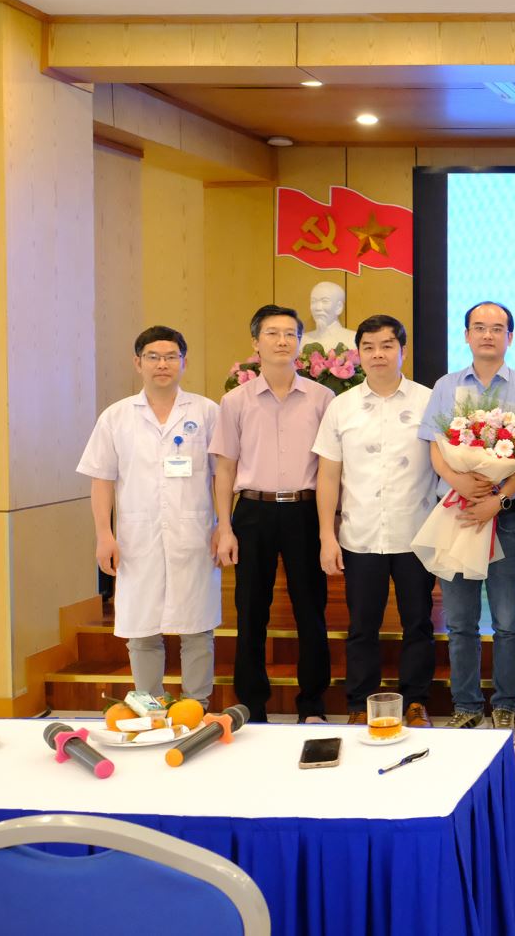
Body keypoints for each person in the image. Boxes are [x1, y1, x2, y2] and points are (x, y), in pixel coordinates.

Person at [419, 300, 515, 734]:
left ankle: (506, 704)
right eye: (479, 327)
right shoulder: (446, 386)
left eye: (497, 328)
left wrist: (499, 498)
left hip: (505, 516)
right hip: (457, 513)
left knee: (508, 620)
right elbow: (435, 447)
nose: (488, 334)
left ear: (510, 337)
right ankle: (467, 705)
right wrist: (459, 481)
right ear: (467, 335)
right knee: (460, 621)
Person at [78, 326, 221, 705]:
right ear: (137, 362)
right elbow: (101, 480)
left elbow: (222, 476)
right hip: (136, 538)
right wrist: (104, 535)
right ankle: (150, 707)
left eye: (171, 356)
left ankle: (197, 707)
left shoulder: (206, 412)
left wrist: (224, 526)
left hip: (194, 534)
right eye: (153, 357)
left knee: (197, 628)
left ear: (184, 362)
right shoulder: (116, 416)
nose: (162, 364)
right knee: (141, 630)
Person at [313, 314, 438, 729]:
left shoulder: (428, 401)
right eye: (368, 347)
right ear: (359, 354)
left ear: (403, 350)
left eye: (387, 345)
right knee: (362, 627)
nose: (378, 354)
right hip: (360, 535)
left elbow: (445, 465)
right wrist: (326, 536)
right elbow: (328, 475)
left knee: (418, 623)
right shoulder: (341, 406)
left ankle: (416, 702)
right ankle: (359, 704)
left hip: (415, 533)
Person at [211, 305, 335, 723]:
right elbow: (225, 468)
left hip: (305, 510)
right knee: (251, 612)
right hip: (253, 512)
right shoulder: (235, 401)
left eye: (290, 334)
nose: (282, 341)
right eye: (272, 333)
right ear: (255, 342)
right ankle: (252, 706)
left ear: (300, 342)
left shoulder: (322, 398)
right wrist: (224, 527)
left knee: (311, 611)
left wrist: (329, 527)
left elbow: (332, 467)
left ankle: (312, 705)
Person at [301, 281, 355, 353]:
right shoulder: (301, 340)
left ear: (339, 307)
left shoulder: (354, 339)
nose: (318, 308)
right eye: (313, 301)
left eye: (325, 301)